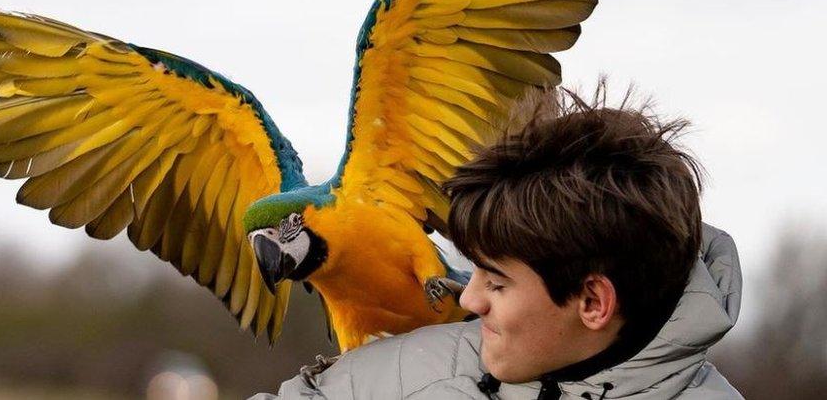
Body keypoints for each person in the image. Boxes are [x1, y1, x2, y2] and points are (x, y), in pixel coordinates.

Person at [250, 86, 743, 399]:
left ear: (593, 302)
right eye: (475, 268)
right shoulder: (395, 377)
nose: (467, 297)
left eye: (498, 282)